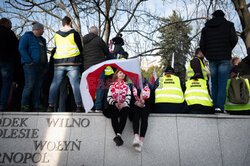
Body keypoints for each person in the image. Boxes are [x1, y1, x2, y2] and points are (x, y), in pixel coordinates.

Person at [200, 10, 238, 112]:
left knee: (214, 82)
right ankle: (220, 107)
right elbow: (234, 39)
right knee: (222, 83)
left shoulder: (206, 29)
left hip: (212, 58)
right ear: (223, 16)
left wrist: (208, 54)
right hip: (224, 57)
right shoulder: (229, 25)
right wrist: (228, 49)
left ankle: (215, 105)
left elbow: (202, 44)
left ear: (213, 16)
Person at [47, 16, 83, 112]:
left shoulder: (56, 34)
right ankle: (79, 106)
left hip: (59, 62)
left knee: (55, 84)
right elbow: (80, 47)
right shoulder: (74, 33)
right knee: (75, 84)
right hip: (73, 62)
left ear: (62, 24)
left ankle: (50, 105)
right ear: (70, 23)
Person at [19, 21, 48, 112]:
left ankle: (37, 104)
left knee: (38, 87)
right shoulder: (27, 36)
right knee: (29, 85)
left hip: (41, 67)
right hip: (30, 66)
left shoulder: (43, 40)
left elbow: (44, 53)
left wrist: (46, 65)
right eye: (42, 29)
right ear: (37, 29)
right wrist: (28, 61)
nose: (43, 31)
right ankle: (24, 105)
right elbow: (21, 48)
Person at [83, 26, 109, 111]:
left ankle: (90, 107)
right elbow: (106, 51)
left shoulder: (84, 41)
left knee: (90, 87)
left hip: (88, 68)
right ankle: (98, 107)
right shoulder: (98, 39)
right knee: (100, 86)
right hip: (98, 67)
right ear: (97, 33)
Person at [107, 70, 131, 146]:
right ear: (116, 74)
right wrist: (115, 103)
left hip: (124, 105)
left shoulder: (127, 86)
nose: (122, 74)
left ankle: (118, 135)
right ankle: (118, 136)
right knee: (113, 113)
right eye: (120, 72)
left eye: (123, 73)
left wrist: (124, 103)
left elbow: (128, 96)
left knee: (125, 112)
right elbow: (109, 97)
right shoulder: (112, 85)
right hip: (114, 105)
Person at [0, 18, 19, 111]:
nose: (11, 26)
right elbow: (16, 47)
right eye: (10, 24)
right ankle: (3, 105)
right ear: (6, 23)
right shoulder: (9, 33)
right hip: (6, 61)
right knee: (6, 84)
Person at [130, 78, 153, 152]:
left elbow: (152, 99)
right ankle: (136, 137)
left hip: (146, 106)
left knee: (144, 118)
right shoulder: (132, 86)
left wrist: (144, 102)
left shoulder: (149, 86)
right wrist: (136, 103)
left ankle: (141, 141)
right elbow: (129, 98)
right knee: (135, 115)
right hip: (135, 106)